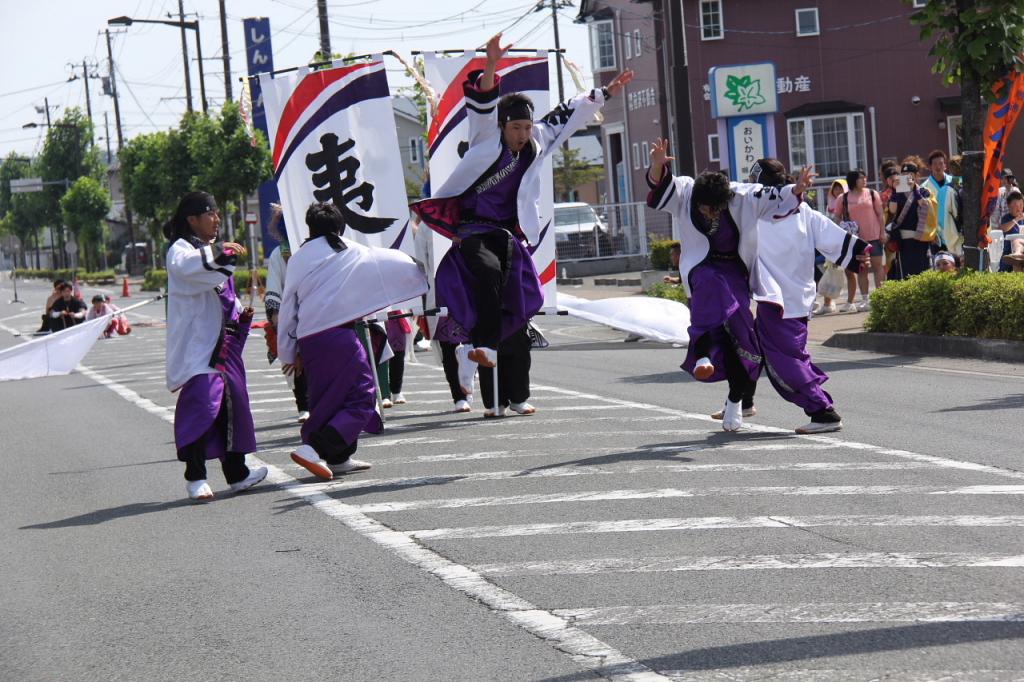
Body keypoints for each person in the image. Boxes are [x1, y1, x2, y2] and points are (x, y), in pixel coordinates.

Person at [411, 33, 634, 418]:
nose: (522, 134)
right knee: (487, 275)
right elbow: (483, 101)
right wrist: (491, 64)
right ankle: (480, 352)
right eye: (516, 127)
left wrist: (605, 93)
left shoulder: (536, 141)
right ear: (502, 126)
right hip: (473, 231)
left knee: (516, 307)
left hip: (508, 235)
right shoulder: (486, 138)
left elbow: (568, 114)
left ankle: (512, 396)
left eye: (527, 127)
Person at [646, 139, 812, 431]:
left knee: (741, 338)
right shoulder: (686, 192)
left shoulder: (742, 196)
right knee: (710, 291)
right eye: (704, 209)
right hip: (701, 269)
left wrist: (796, 189)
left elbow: (773, 195)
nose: (709, 214)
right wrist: (657, 165)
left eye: (715, 210)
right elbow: (661, 187)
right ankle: (703, 355)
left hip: (734, 270)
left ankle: (736, 400)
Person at [277, 203, 428, 481]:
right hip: (338, 336)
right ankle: (314, 449)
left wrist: (288, 351)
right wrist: (422, 271)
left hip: (309, 340)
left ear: (310, 227)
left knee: (327, 399)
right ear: (340, 227)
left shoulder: (299, 257)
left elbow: (289, 306)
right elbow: (385, 260)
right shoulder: (351, 249)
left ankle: (339, 458)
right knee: (362, 395)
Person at [749, 159, 871, 434]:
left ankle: (822, 411)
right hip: (797, 296)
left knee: (785, 360)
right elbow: (833, 238)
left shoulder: (757, 214)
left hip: (777, 299)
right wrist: (857, 253)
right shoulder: (803, 211)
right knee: (765, 349)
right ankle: (741, 398)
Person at [164, 191, 267, 502]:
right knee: (202, 408)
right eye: (210, 213)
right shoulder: (180, 250)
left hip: (224, 344)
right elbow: (191, 269)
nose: (217, 219)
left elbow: (224, 293)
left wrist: (241, 313)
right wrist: (222, 251)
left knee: (232, 408)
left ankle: (237, 474)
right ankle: (195, 477)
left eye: (217, 213)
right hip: (199, 347)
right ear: (192, 219)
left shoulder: (207, 251)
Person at [263, 207, 310, 423]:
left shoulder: (313, 249)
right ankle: (303, 405)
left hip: (317, 312)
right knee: (295, 358)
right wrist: (277, 318)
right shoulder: (278, 255)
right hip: (291, 315)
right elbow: (274, 287)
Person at [840, 169, 886, 310]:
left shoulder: (872, 194)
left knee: (878, 266)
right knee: (862, 269)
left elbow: (880, 214)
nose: (864, 179)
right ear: (853, 180)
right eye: (861, 178)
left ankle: (881, 297)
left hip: (874, 236)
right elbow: (837, 216)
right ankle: (865, 299)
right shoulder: (844, 197)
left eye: (865, 177)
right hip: (856, 240)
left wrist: (882, 232)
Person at [886, 160, 935, 280]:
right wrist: (894, 191)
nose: (907, 177)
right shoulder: (898, 193)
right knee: (906, 274)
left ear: (917, 175)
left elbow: (926, 206)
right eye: (904, 175)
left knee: (923, 272)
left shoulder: (924, 191)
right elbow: (892, 210)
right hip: (903, 240)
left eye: (910, 174)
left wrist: (915, 190)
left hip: (921, 238)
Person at [921, 149, 962, 254]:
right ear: (930, 167)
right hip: (937, 236)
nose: (938, 166)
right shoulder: (924, 188)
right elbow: (923, 214)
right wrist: (931, 233)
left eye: (941, 163)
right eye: (934, 164)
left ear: (945, 166)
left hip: (955, 231)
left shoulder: (955, 182)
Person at [998, 190, 1024, 272]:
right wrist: (1016, 219)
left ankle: (1018, 255)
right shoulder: (1006, 218)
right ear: (1009, 206)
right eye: (1015, 205)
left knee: (1018, 240)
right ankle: (1017, 255)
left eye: (1021, 205)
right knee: (1016, 240)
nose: (1019, 208)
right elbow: (1003, 228)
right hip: (1008, 252)